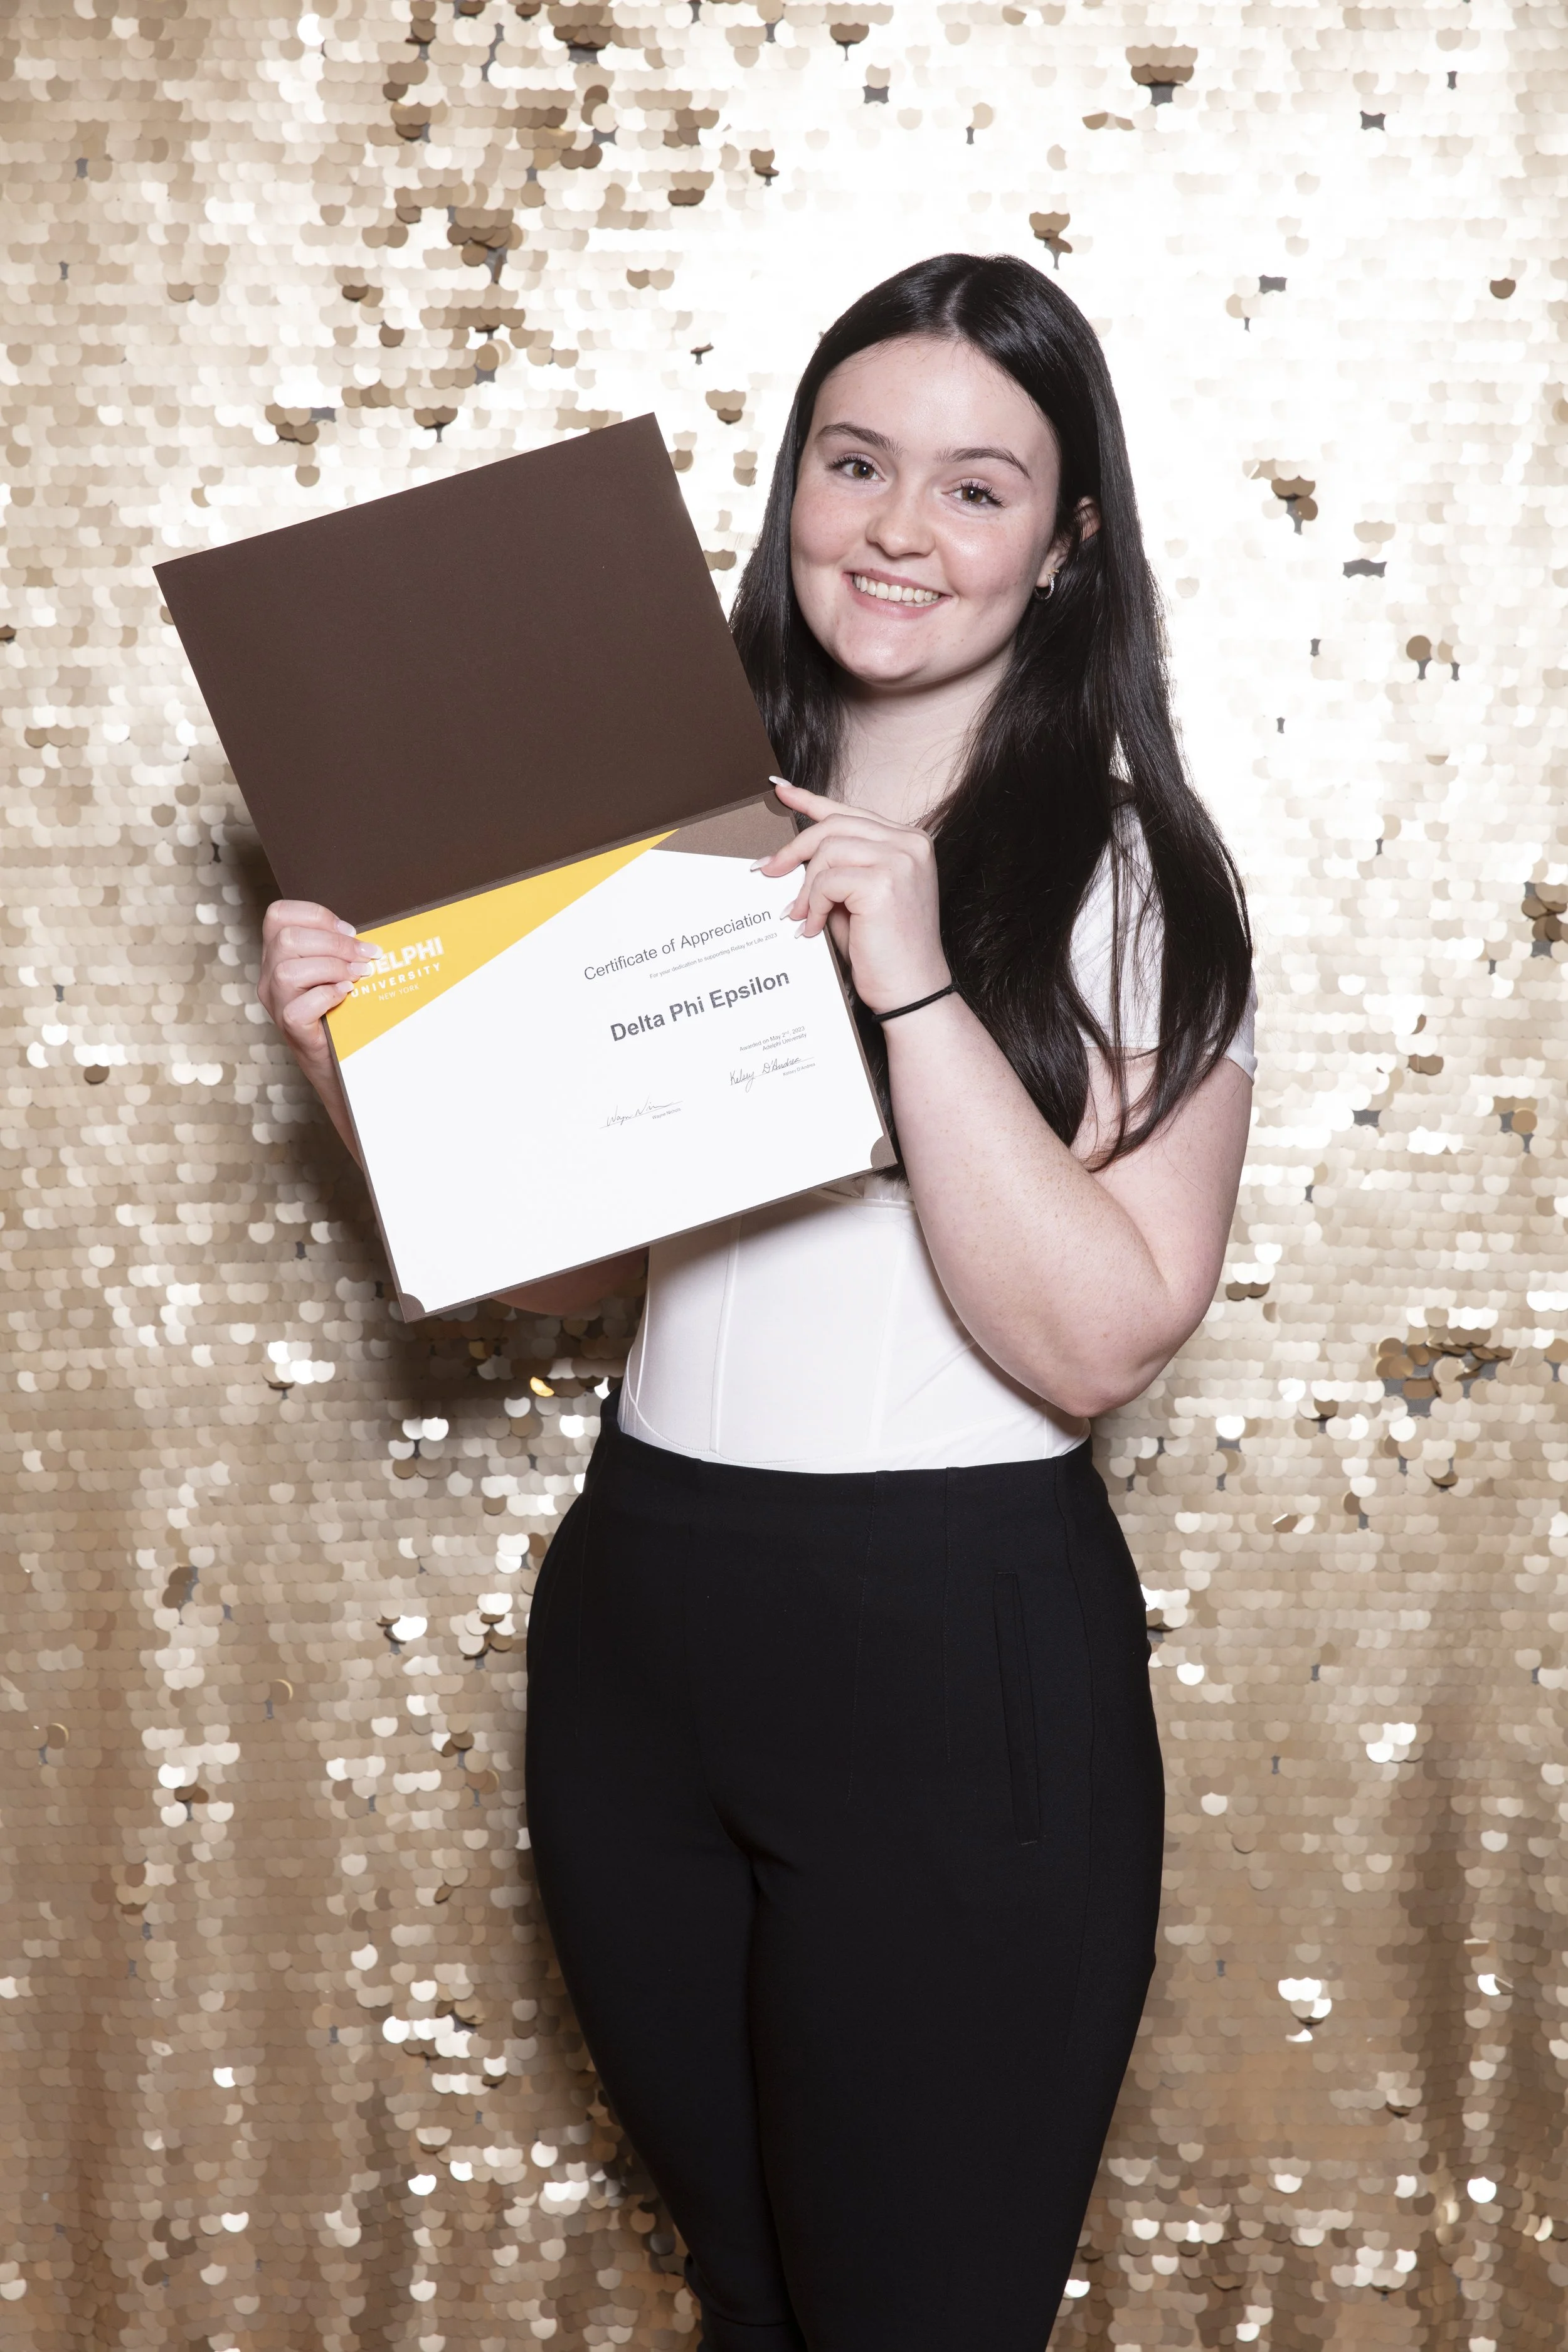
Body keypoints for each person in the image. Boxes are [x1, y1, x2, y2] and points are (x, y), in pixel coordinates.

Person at [259, 253, 1255, 2352]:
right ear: (790, 482)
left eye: (977, 488)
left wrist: (906, 970)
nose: (898, 528)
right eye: (854, 462)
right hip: (647, 1622)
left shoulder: (1130, 870)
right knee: (752, 2301)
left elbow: (1095, 1335)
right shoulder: (647, 819)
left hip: (950, 1648)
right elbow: (550, 1269)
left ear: (1069, 548)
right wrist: (355, 1058)